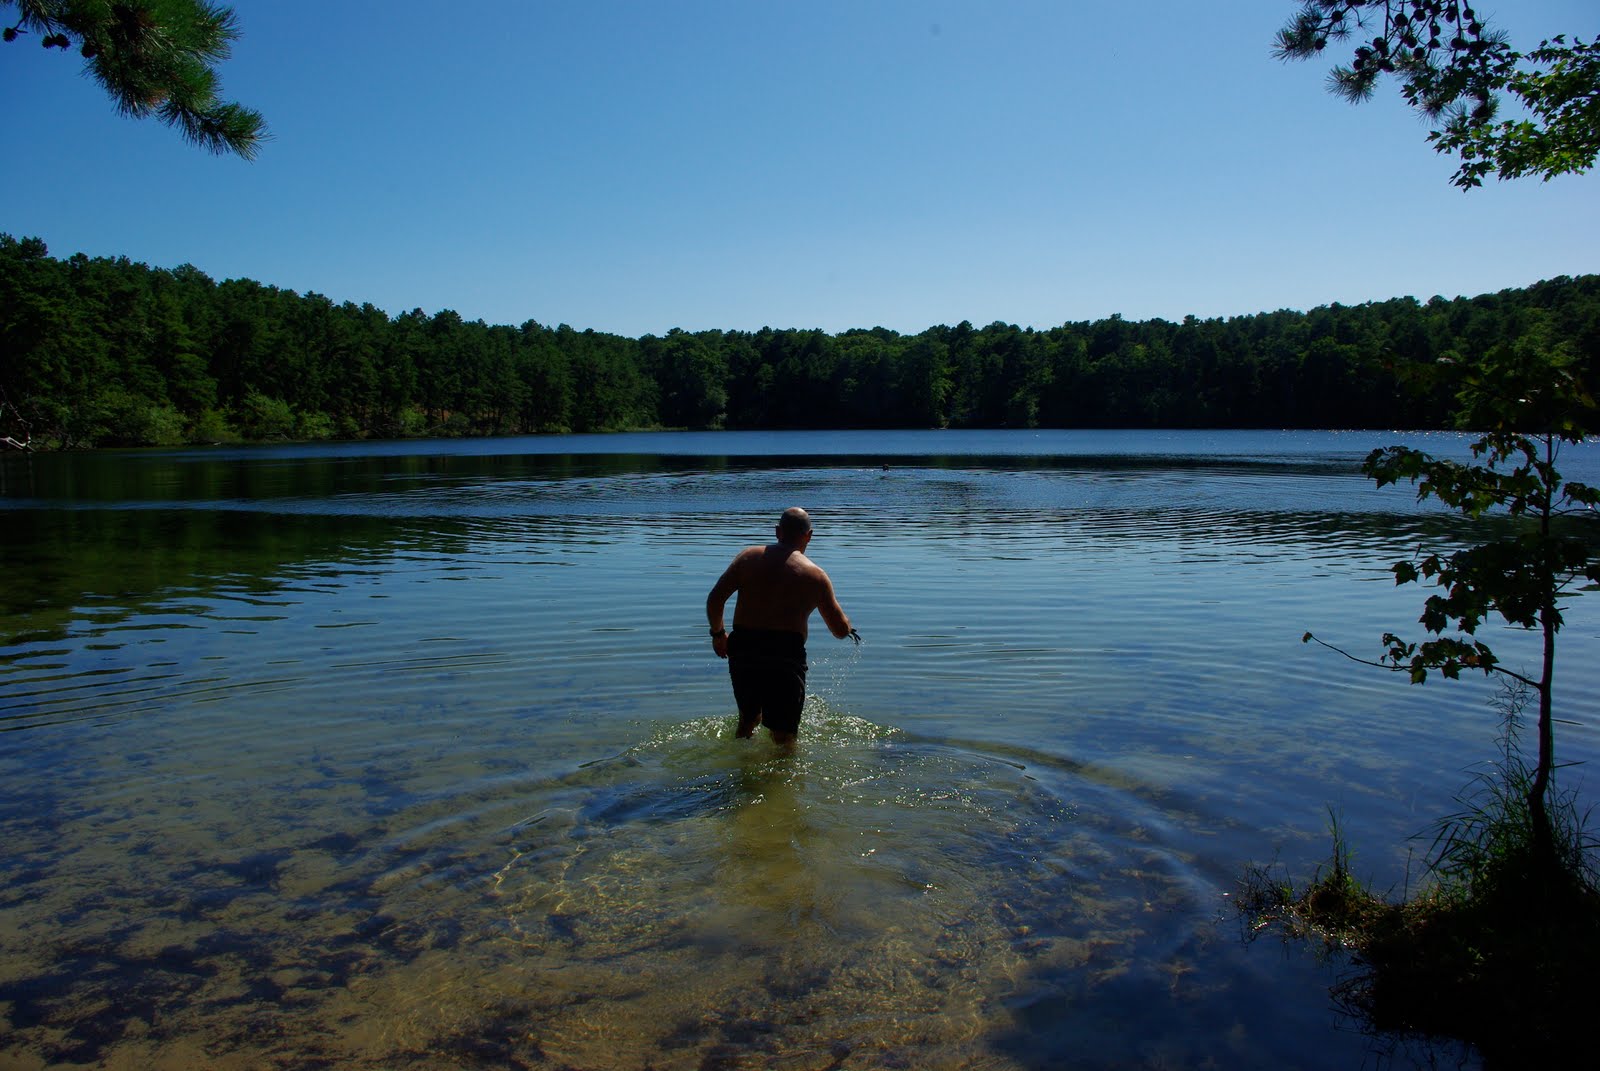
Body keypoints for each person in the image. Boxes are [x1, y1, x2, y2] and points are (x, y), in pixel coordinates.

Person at [706, 507, 855, 745]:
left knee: (748, 718)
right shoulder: (815, 576)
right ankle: (781, 781)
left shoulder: (748, 558)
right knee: (784, 735)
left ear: (778, 532)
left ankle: (743, 773)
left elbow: (715, 599)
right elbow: (839, 631)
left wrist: (718, 634)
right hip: (785, 655)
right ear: (810, 535)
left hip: (744, 648)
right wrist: (849, 627)